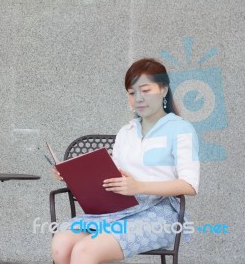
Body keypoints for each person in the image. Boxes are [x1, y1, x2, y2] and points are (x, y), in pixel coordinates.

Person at [51, 58, 200, 264]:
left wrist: (138, 186)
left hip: (161, 213)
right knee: (61, 243)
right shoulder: (126, 132)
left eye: (146, 90)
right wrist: (72, 175)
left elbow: (190, 185)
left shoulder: (180, 129)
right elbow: (112, 175)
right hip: (119, 209)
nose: (138, 98)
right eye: (132, 93)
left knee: (85, 251)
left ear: (164, 89)